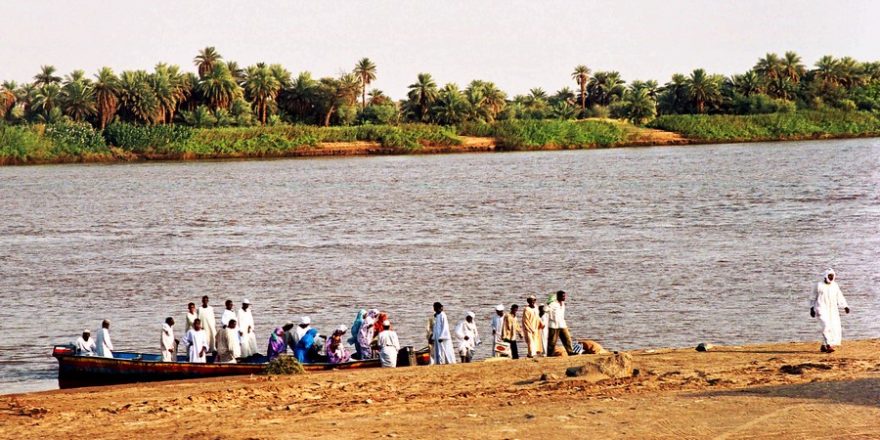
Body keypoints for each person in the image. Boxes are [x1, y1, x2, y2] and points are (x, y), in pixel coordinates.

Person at [811, 268, 851, 353]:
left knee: (831, 326)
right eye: (829, 275)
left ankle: (823, 345)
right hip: (820, 308)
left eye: (832, 276)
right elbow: (812, 297)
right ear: (825, 276)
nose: (831, 277)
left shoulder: (835, 285)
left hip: (832, 309)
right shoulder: (819, 285)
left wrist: (845, 306)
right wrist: (811, 308)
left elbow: (839, 296)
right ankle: (829, 345)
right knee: (826, 325)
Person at [547, 290, 575, 356]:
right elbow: (546, 310)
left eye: (564, 296)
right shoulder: (553, 304)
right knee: (552, 342)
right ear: (558, 296)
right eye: (563, 296)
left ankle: (570, 352)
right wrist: (552, 318)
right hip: (554, 325)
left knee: (567, 338)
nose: (564, 297)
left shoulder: (563, 304)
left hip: (562, 324)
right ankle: (549, 354)